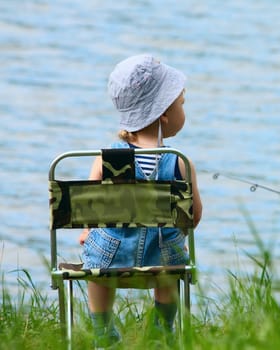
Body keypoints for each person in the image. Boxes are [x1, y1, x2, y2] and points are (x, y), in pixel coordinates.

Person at [78, 54, 202, 347]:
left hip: (110, 260)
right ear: (164, 115)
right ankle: (162, 328)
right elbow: (194, 216)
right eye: (181, 105)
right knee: (173, 260)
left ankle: (103, 331)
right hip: (162, 260)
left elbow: (86, 209)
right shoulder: (180, 162)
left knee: (96, 265)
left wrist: (87, 231)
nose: (184, 111)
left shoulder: (106, 158)